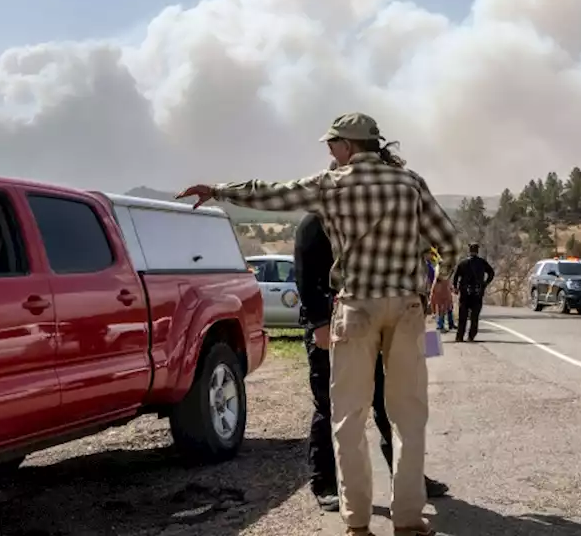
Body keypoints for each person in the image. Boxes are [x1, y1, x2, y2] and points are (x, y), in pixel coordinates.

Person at [178, 112, 460, 536]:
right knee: (407, 417)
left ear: (348, 146)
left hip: (355, 310)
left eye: (332, 144)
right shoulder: (410, 183)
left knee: (347, 418)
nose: (329, 150)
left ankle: (357, 522)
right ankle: (407, 520)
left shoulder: (330, 185)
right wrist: (442, 282)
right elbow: (450, 241)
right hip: (405, 309)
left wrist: (218, 190)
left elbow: (270, 194)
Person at [294, 212, 449, 513]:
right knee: (333, 406)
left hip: (380, 324)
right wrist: (319, 323)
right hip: (334, 326)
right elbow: (305, 277)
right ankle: (326, 483)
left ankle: (408, 478)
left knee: (392, 403)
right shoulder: (316, 222)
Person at [451, 243, 495, 342]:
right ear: (477, 251)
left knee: (463, 316)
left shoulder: (463, 263)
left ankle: (459, 337)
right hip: (477, 292)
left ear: (469, 251)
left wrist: (456, 287)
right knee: (474, 316)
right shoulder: (482, 262)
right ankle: (471, 336)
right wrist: (485, 283)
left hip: (465, 292)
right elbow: (491, 273)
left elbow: (456, 276)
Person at [429, 249, 456, 332]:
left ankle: (450, 324)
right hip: (440, 291)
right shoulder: (439, 269)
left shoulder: (443, 269)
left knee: (449, 307)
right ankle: (440, 325)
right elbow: (438, 279)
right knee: (442, 309)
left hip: (444, 290)